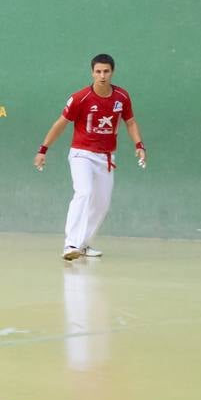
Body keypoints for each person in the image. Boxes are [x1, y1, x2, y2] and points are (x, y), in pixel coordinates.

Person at [33, 53, 146, 261]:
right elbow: (60, 124)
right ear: (92, 73)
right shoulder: (80, 98)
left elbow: (130, 122)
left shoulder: (122, 97)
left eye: (106, 71)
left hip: (106, 157)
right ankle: (71, 244)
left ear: (112, 72)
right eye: (98, 71)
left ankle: (83, 244)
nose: (102, 76)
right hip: (81, 154)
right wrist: (43, 149)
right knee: (84, 192)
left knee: (102, 203)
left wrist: (139, 145)